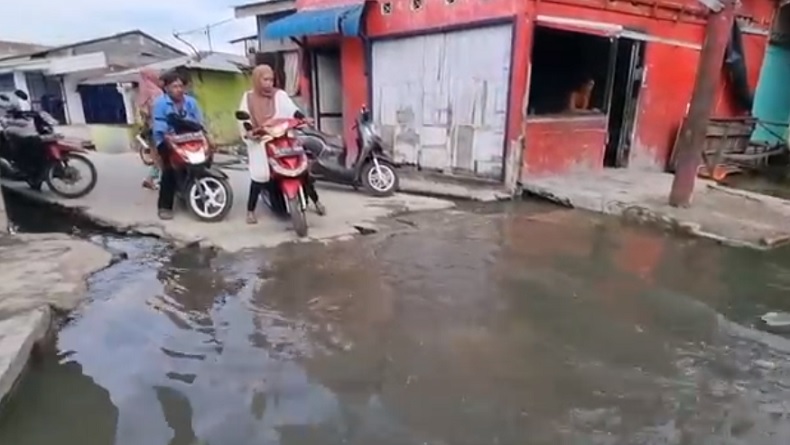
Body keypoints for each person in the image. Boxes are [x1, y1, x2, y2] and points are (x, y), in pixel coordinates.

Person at [238, 64, 324, 225]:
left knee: (301, 170)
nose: (269, 83)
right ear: (257, 80)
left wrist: (303, 118)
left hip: (283, 136)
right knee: (259, 176)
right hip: (261, 140)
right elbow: (244, 119)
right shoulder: (248, 97)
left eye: (271, 79)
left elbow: (292, 110)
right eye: (265, 79)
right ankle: (250, 211)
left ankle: (316, 201)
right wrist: (250, 130)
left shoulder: (280, 95)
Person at [151, 70, 206, 220]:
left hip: (190, 138)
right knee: (170, 170)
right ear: (167, 88)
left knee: (203, 161)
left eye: (181, 86)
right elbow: (159, 126)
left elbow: (200, 122)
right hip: (167, 140)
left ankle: (197, 192)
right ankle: (164, 206)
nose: (179, 89)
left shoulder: (191, 102)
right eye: (175, 86)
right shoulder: (160, 103)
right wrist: (170, 137)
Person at [137, 68, 164, 190]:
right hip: (158, 128)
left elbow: (144, 113)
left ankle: (150, 180)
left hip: (150, 129)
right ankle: (163, 182)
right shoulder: (155, 92)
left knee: (157, 157)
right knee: (161, 157)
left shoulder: (143, 93)